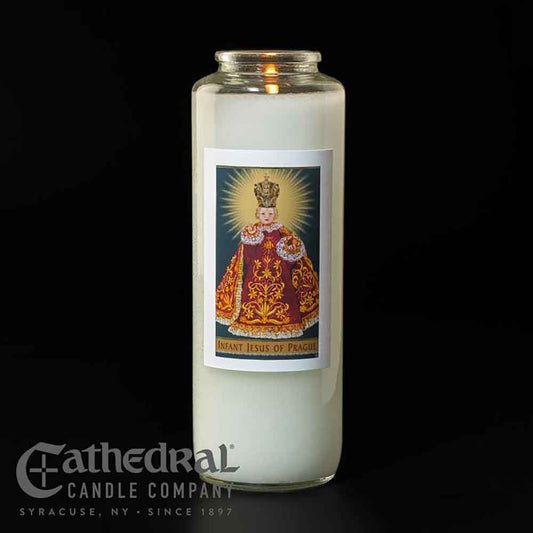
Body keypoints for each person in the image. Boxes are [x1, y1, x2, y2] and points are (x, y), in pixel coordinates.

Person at [216, 174, 319, 339]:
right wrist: (250, 240)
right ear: (258, 213)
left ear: (275, 214)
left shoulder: (283, 232)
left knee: (284, 297)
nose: (266, 216)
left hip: (280, 278)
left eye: (270, 213)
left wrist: (291, 249)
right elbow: (246, 258)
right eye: (263, 213)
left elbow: (291, 259)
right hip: (255, 276)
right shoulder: (253, 231)